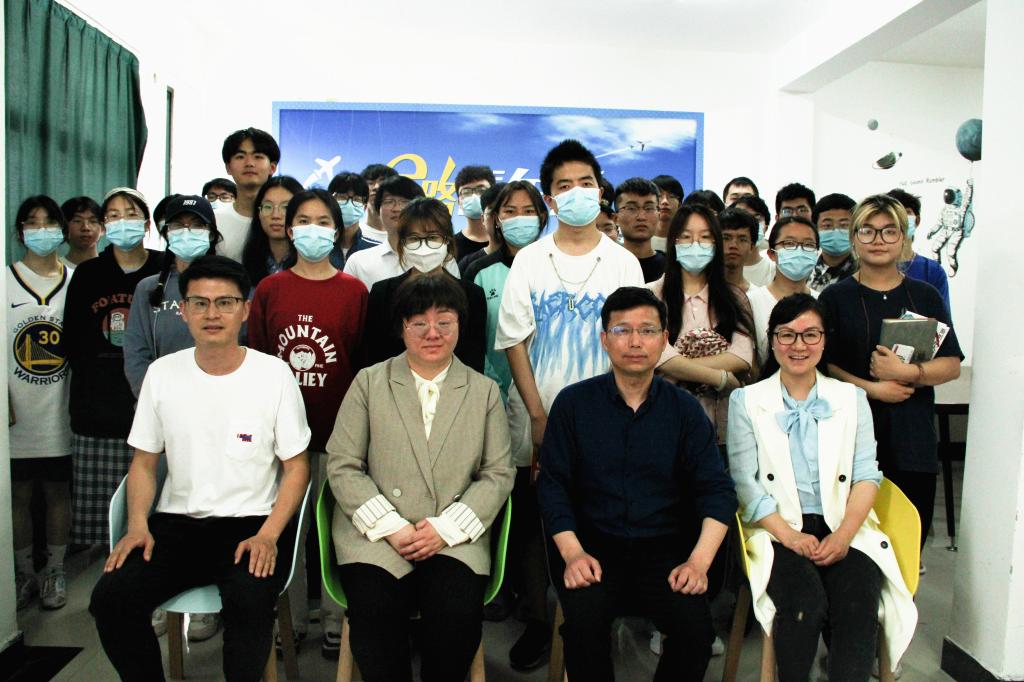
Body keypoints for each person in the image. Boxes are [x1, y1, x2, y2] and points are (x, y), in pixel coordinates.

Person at [90, 255, 311, 682]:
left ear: (245, 310)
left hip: (250, 526)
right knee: (111, 600)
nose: (213, 314)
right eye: (200, 303)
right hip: (176, 526)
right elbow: (144, 463)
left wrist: (269, 534)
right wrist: (137, 525)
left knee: (249, 605)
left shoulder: (274, 375)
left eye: (225, 303)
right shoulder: (162, 374)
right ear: (184, 310)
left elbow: (296, 467)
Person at [538, 286, 737, 681]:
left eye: (647, 331)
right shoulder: (573, 405)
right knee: (583, 629)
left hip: (666, 552)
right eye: (621, 330)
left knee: (696, 634)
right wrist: (573, 553)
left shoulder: (685, 411)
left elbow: (716, 491)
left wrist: (698, 563)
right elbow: (553, 485)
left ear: (664, 340)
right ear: (604, 339)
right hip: (593, 548)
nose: (634, 342)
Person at [496, 140, 644, 668]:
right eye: (564, 185)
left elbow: (635, 342)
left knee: (597, 519)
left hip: (607, 418)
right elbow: (515, 341)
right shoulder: (530, 260)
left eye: (586, 182)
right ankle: (540, 622)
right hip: (535, 416)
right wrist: (538, 417)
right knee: (536, 524)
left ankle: (591, 619)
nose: (576, 192)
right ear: (550, 198)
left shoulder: (622, 262)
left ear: (600, 191)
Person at [325, 273, 514, 682]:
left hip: (454, 537)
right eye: (419, 323)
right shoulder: (369, 382)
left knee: (456, 617)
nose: (433, 333)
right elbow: (342, 464)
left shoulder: (482, 391)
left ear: (460, 326)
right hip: (376, 536)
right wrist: (391, 527)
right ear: (401, 327)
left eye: (444, 321)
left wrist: (445, 529)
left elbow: (498, 473)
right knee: (374, 613)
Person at [727, 293, 918, 681]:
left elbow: (866, 475)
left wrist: (844, 535)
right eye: (787, 334)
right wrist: (790, 536)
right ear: (772, 340)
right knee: (804, 604)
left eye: (810, 334)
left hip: (844, 524)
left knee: (857, 604)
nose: (799, 345)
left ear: (825, 339)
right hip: (776, 529)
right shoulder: (746, 400)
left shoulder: (851, 398)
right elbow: (745, 482)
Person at [248, 188, 368, 656]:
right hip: (283, 439)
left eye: (323, 221)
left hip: (340, 435)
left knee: (340, 533)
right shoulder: (270, 290)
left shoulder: (354, 291)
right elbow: (258, 360)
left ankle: (338, 621)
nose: (312, 229)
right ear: (289, 227)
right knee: (288, 534)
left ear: (336, 231)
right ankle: (290, 621)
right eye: (303, 220)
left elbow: (361, 366)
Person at [818, 194, 963, 554]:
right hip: (850, 440)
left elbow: (950, 364)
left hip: (913, 440)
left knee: (906, 546)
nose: (878, 240)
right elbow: (824, 365)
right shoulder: (834, 298)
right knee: (852, 548)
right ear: (854, 238)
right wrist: (871, 389)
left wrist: (908, 372)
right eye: (867, 231)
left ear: (903, 237)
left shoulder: (925, 296)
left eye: (888, 231)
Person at [64, 187, 162, 548]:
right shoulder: (89, 273)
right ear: (105, 225)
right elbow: (73, 341)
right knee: (100, 520)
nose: (124, 222)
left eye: (132, 214)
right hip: (98, 405)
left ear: (147, 223)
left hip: (153, 402)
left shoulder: (164, 269)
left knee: (152, 510)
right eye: (115, 215)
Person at [9, 196, 74, 611]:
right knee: (17, 494)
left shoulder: (76, 280)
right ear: (19, 232)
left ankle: (54, 569)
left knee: (57, 492)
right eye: (32, 222)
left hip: (61, 411)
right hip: (16, 414)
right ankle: (21, 572)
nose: (42, 229)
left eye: (50, 221)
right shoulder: (5, 280)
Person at [647, 204, 755, 436]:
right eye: (686, 237)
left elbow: (742, 356)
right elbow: (656, 355)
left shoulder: (734, 298)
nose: (695, 244)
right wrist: (721, 377)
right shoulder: (651, 295)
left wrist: (677, 369)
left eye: (705, 237)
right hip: (665, 421)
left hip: (721, 426)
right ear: (673, 242)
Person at [364, 198, 485, 372]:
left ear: (447, 241)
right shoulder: (382, 293)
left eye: (433, 237)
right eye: (414, 238)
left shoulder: (472, 295)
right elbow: (373, 356)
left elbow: (473, 360)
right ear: (402, 243)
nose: (424, 246)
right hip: (392, 384)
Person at [125, 196, 223, 397]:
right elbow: (136, 353)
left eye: (197, 225)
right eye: (178, 225)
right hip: (161, 400)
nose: (187, 232)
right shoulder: (148, 288)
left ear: (211, 233)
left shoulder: (232, 286)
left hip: (220, 398)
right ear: (167, 233)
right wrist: (153, 399)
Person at [344, 175, 459, 290]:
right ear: (378, 209)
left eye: (405, 202)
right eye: (389, 201)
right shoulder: (359, 262)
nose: (397, 209)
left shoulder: (442, 258)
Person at [746, 216, 820, 366]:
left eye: (808, 244)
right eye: (789, 243)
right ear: (772, 254)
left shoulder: (823, 301)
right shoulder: (750, 302)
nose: (799, 250)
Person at [216, 127, 280, 262]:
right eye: (240, 157)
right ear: (228, 167)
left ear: (272, 167)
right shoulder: (214, 221)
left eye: (258, 157)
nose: (249, 163)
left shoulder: (285, 219)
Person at [888, 187, 951, 316]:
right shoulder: (870, 267)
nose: (900, 219)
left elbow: (942, 322)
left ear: (917, 221)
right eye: (894, 213)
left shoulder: (932, 271)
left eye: (906, 212)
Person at [240, 176, 304, 288]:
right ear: (258, 213)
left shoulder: (310, 263)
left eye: (286, 207)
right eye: (268, 207)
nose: (275, 215)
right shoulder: (249, 263)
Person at [614, 177, 665, 282]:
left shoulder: (672, 268)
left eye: (649, 208)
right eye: (632, 208)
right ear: (616, 218)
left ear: (659, 215)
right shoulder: (604, 264)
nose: (641, 217)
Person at [809, 193, 857, 293]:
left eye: (844, 225)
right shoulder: (805, 269)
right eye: (827, 225)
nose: (836, 231)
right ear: (815, 229)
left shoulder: (865, 273)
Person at [457, 182, 506, 275]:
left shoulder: (529, 259)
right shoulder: (468, 264)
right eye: (492, 212)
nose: (498, 220)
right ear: (483, 219)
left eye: (508, 211)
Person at [328, 171, 377, 264]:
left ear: (365, 207)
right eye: (342, 197)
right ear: (330, 203)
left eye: (357, 199)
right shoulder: (317, 247)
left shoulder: (375, 250)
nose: (349, 205)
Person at [453, 165, 495, 260]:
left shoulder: (507, 242)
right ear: (459, 202)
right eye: (466, 192)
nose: (474, 197)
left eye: (481, 191)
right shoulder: (450, 246)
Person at [735, 194, 776, 284]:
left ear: (766, 228)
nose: (750, 224)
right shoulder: (719, 269)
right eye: (743, 218)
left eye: (757, 219)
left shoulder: (775, 270)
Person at [358, 163, 399, 245]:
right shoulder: (352, 234)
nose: (376, 187)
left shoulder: (406, 234)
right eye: (370, 183)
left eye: (382, 182)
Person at [719, 206, 758, 292]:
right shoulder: (700, 292)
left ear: (751, 247)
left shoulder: (758, 296)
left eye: (742, 239)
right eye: (726, 238)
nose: (733, 245)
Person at [60, 196, 104, 266]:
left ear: (103, 229)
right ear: (63, 228)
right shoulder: (54, 269)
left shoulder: (112, 268)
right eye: (77, 221)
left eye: (93, 221)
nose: (86, 227)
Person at [651, 174, 684, 253]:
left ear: (680, 204)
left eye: (671, 196)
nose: (665, 201)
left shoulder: (686, 242)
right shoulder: (639, 240)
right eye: (659, 196)